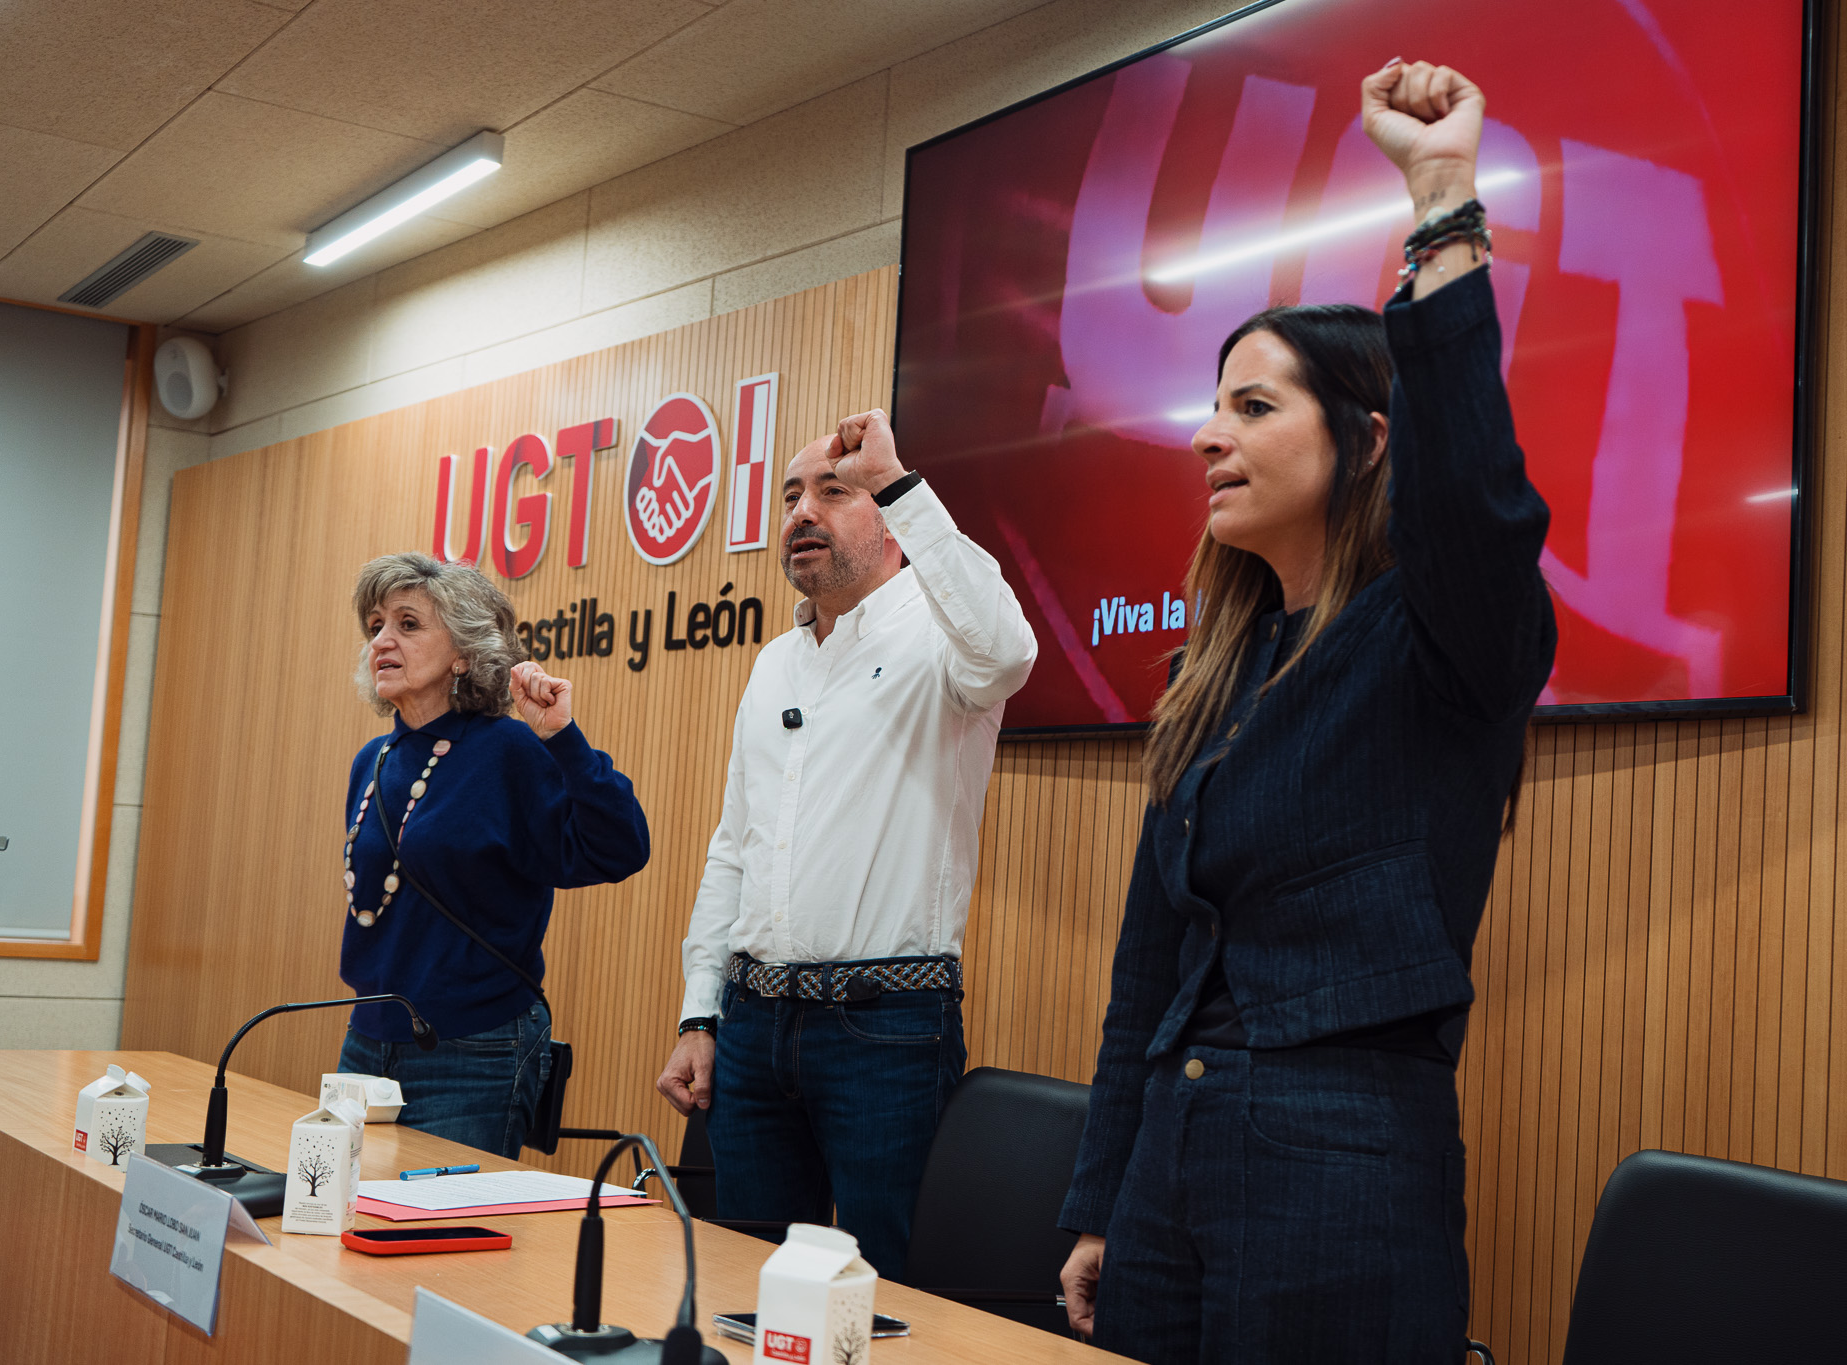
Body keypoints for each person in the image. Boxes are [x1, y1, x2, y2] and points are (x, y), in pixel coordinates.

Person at [1056, 60, 1555, 1362]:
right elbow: (1147, 969)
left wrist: (1442, 199)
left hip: (1342, 1162)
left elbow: (1480, 501)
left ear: (1369, 438)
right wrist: (1102, 1197)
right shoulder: (1204, 673)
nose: (1206, 436)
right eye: (1212, 404)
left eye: (1254, 406)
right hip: (1173, 1151)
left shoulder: (1439, 633)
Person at [655, 411, 1038, 1279]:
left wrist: (900, 480)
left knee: (888, 1299)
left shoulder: (944, 637)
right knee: (742, 1284)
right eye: (791, 495)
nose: (801, 511)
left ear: (896, 521)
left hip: (887, 1034)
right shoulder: (771, 664)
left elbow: (1010, 648)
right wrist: (700, 1012)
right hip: (751, 1031)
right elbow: (733, 849)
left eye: (835, 490)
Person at [337, 552, 649, 1158]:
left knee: (443, 1242)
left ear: (462, 652)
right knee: (352, 1225)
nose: (382, 640)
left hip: (475, 1046)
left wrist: (563, 738)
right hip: (367, 1040)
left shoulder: (507, 749)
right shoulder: (372, 761)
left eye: (408, 623)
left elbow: (619, 849)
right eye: (375, 625)